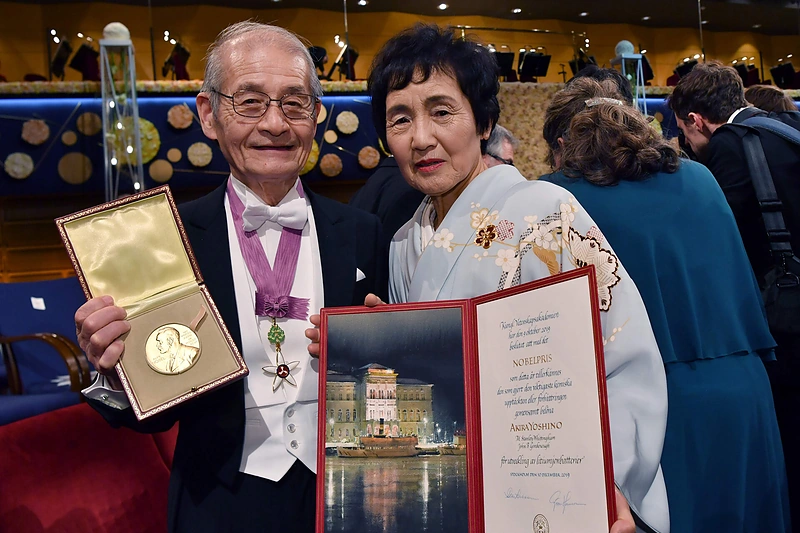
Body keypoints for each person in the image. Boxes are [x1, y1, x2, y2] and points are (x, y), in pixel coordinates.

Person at [74, 21, 386, 533]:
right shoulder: (164, 241)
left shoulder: (362, 231)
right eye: (250, 102)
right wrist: (115, 370)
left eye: (294, 103)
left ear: (316, 115)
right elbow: (152, 414)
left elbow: (380, 377)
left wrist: (383, 349)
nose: (275, 124)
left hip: (342, 498)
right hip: (217, 500)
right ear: (208, 114)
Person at [358, 23, 668, 533]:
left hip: (545, 488)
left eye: (441, 112)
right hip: (451, 490)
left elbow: (623, 358)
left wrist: (601, 481)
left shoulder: (542, 212)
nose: (421, 138)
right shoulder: (404, 242)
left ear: (483, 123)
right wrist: (383, 343)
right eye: (400, 119)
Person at [540, 77, 791, 533]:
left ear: (561, 144)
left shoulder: (557, 199)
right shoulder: (700, 177)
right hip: (744, 392)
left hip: (652, 410)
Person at [669, 61, 800, 525]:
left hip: (784, 307)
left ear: (695, 121)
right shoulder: (786, 126)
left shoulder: (728, 143)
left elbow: (719, 235)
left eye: (684, 134)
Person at [350, 123, 518, 244]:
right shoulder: (421, 191)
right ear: (482, 154)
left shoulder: (373, 183)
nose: (423, 141)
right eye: (508, 162)